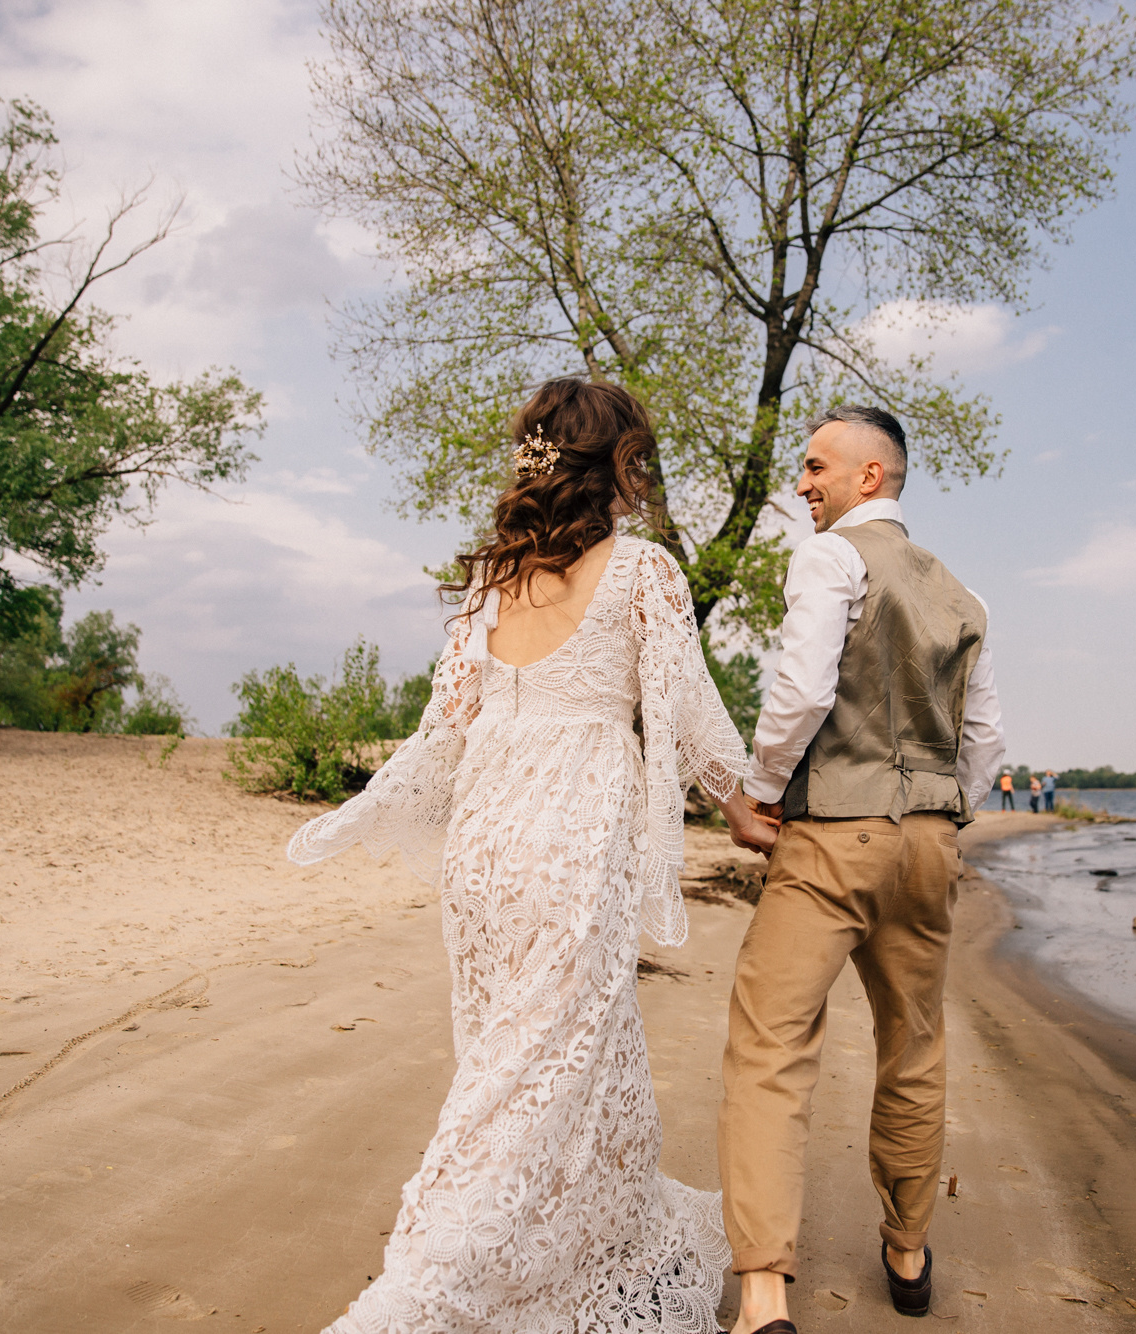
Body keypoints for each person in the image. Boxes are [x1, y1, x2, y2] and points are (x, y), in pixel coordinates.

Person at [289, 378, 775, 1334]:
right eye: (638, 457)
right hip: (572, 843)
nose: (644, 474)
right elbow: (688, 713)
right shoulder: (644, 571)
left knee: (536, 1056)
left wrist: (362, 812)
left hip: (484, 846)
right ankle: (417, 1299)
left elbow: (444, 729)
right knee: (526, 1079)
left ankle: (594, 1249)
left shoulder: (492, 584)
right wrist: (744, 810)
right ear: (616, 464)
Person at [715, 405, 1003, 1334]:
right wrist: (942, 817)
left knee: (772, 1044)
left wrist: (761, 791)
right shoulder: (964, 596)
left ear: (868, 476)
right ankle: (908, 1253)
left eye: (815, 466)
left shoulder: (831, 557)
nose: (802, 483)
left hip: (835, 834)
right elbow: (985, 742)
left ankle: (765, 1293)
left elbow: (802, 690)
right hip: (928, 843)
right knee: (914, 1042)